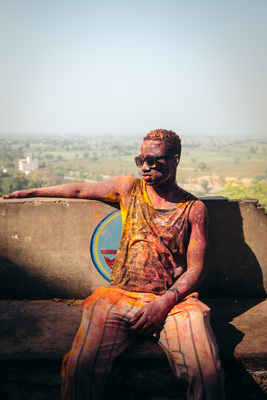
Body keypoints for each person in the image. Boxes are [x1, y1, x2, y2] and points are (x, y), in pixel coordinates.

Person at [3, 129, 225, 400]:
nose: (145, 167)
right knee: (80, 368)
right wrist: (34, 190)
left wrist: (163, 303)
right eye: (140, 160)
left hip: (173, 302)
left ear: (175, 160)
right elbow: (79, 189)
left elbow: (195, 268)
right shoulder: (129, 189)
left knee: (207, 372)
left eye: (154, 161)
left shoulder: (193, 209)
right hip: (119, 295)